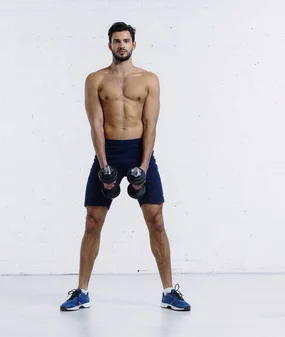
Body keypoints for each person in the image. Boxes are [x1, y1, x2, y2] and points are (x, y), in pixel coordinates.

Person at [59, 22, 191, 312]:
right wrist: (104, 165)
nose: (121, 45)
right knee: (93, 221)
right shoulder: (95, 79)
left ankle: (169, 291)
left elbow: (150, 126)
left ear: (134, 45)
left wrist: (143, 166)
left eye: (126, 40)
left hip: (139, 151)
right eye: (116, 40)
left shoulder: (149, 79)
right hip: (107, 151)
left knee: (156, 220)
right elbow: (95, 124)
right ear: (109, 45)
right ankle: (81, 292)